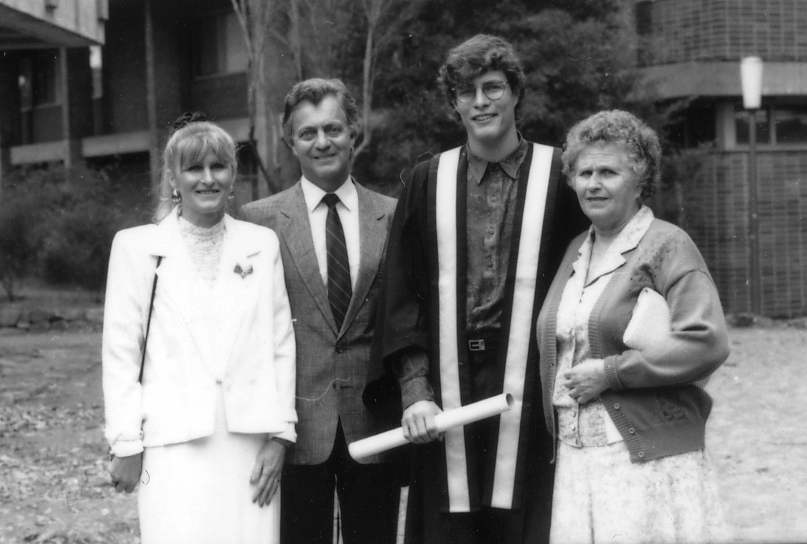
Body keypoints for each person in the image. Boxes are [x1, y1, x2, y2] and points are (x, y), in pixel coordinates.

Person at [367, 35, 587, 544]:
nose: (480, 102)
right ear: (454, 103)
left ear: (516, 93)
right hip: (447, 386)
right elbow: (401, 296)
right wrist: (414, 391)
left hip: (533, 392)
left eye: (493, 88)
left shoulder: (560, 177)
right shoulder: (427, 180)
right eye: (466, 92)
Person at [535, 110, 730, 543]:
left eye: (609, 172)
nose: (593, 184)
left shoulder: (668, 245)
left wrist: (611, 372)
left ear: (640, 181)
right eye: (584, 173)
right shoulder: (576, 249)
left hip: (646, 459)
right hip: (576, 458)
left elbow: (707, 341)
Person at [103, 114, 296, 544]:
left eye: (218, 166)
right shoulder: (137, 247)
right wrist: (126, 443)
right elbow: (121, 355)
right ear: (173, 178)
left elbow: (281, 343)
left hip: (249, 444)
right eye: (194, 168)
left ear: (233, 175)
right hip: (172, 446)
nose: (208, 179)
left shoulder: (261, 244)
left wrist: (282, 437)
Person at [240, 78, 401, 544]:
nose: (322, 142)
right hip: (295, 430)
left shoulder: (393, 215)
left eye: (333, 128)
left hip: (373, 424)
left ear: (354, 132)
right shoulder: (257, 221)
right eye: (307, 133)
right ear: (290, 141)